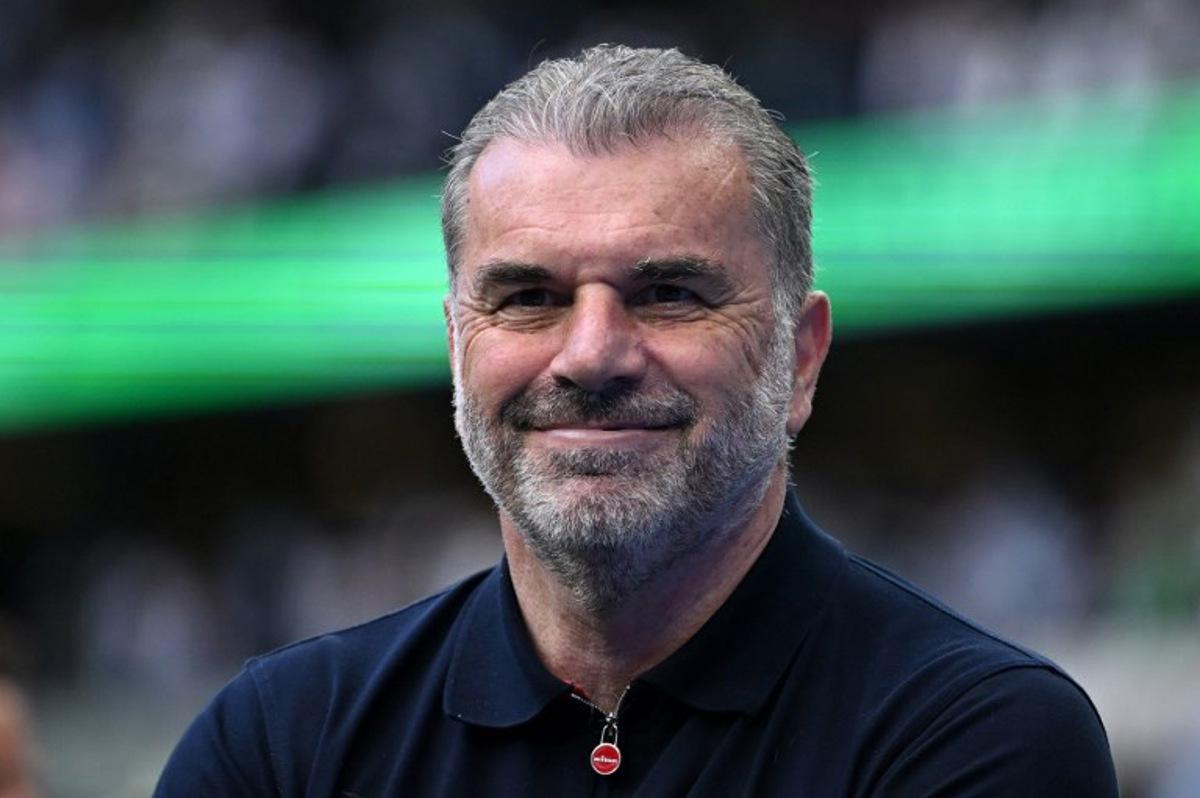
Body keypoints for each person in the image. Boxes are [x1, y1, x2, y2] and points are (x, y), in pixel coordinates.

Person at [156, 45, 1118, 795]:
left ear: (800, 356)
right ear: (457, 347)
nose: (591, 355)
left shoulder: (973, 735)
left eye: (668, 293)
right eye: (529, 296)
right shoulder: (281, 742)